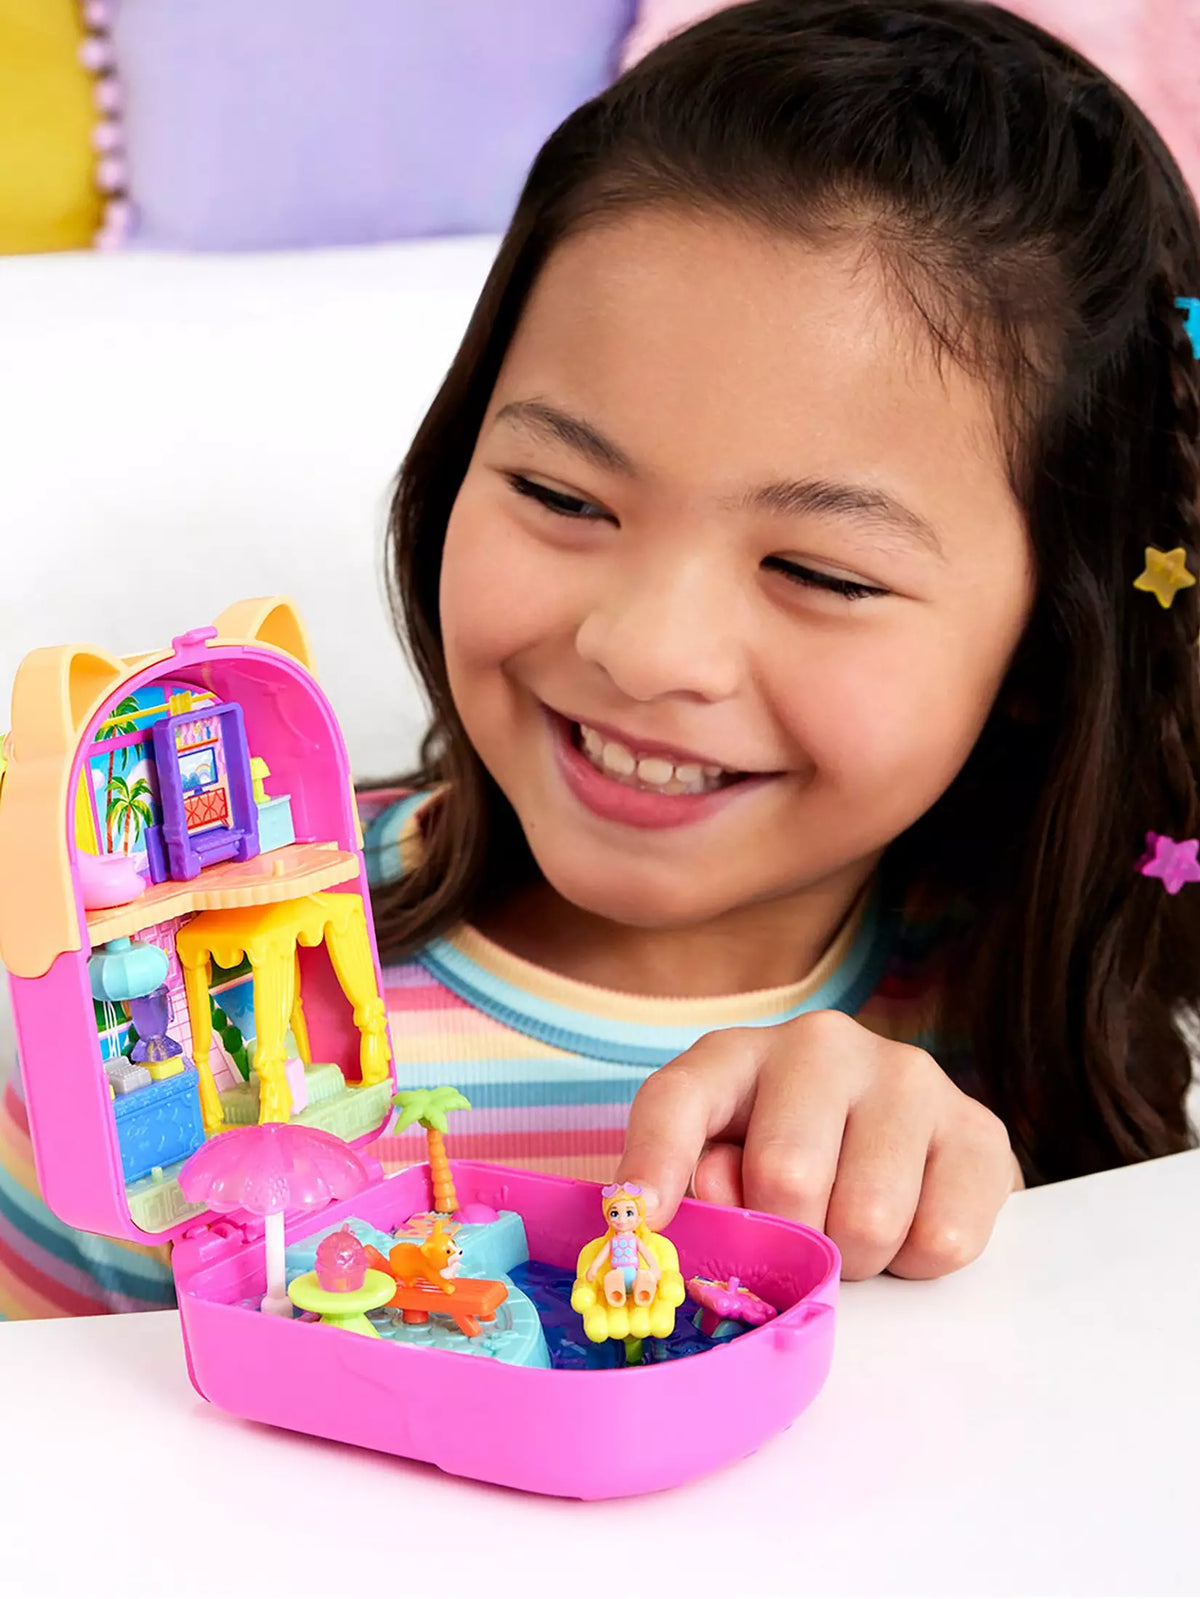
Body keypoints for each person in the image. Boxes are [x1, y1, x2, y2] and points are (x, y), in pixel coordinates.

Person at [2, 0, 1198, 1318]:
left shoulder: (1075, 1015)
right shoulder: (159, 1019)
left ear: (1051, 646)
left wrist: (973, 1219)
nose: (643, 649)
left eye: (820, 573)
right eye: (565, 498)